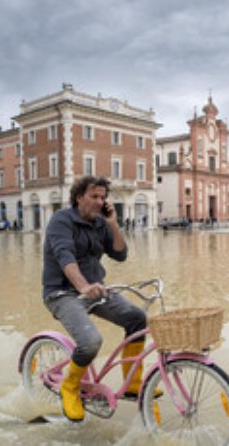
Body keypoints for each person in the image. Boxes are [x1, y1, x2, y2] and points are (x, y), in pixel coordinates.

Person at [42, 176, 155, 422]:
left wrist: (113, 223)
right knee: (91, 341)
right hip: (62, 293)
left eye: (103, 197)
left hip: (95, 290)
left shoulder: (100, 223)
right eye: (94, 196)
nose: (99, 201)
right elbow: (64, 257)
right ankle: (69, 388)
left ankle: (133, 384)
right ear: (78, 197)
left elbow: (120, 254)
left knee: (138, 319)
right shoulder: (61, 220)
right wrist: (82, 286)